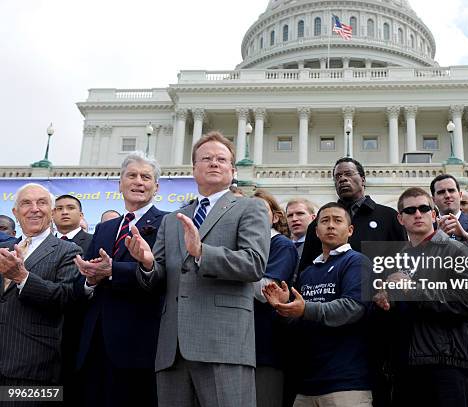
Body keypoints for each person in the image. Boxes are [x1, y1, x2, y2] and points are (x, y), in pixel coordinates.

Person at [128, 131, 270, 407]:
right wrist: (146, 264)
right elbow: (156, 281)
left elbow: (254, 263)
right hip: (173, 349)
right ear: (194, 168)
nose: (214, 163)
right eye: (206, 158)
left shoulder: (250, 208)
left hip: (224, 345)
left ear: (232, 169)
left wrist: (203, 253)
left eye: (221, 159)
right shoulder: (172, 220)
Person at [296, 157, 405, 407]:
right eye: (337, 177)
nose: (342, 179)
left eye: (347, 174)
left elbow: (402, 267)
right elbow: (307, 272)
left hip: (377, 321)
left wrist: (388, 289)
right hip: (329, 329)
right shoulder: (320, 223)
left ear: (363, 179)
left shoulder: (388, 217)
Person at [73, 152, 167, 407]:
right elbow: (91, 274)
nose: (138, 182)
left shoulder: (168, 223)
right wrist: (89, 278)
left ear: (156, 187)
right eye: (132, 175)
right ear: (120, 184)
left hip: (138, 343)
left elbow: (164, 275)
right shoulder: (105, 228)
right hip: (94, 342)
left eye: (146, 177)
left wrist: (114, 270)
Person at [373, 187, 468, 407]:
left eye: (424, 208)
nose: (417, 214)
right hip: (404, 364)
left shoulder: (456, 251)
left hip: (446, 363)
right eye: (410, 210)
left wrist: (413, 289)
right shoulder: (395, 260)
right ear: (400, 218)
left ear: (433, 214)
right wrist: (384, 302)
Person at [263, 203, 372, 407]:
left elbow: (352, 308)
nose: (330, 225)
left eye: (337, 221)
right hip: (307, 386)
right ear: (316, 231)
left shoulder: (357, 262)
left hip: (347, 385)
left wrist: (304, 309)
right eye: (325, 221)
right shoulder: (308, 272)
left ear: (350, 230)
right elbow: (298, 323)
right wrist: (284, 307)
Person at [0, 183, 81, 393]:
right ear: (15, 212)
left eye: (41, 203)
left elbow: (66, 297)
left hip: (34, 368)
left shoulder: (69, 251)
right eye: (26, 203)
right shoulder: (3, 251)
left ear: (52, 211)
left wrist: (22, 277)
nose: (34, 208)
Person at [253, 189, 299, 407]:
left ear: (275, 217)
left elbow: (266, 292)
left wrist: (227, 268)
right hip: (241, 346)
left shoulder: (282, 245)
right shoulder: (245, 245)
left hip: (266, 347)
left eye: (261, 211)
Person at [51, 194, 93, 406]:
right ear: (52, 214)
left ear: (81, 214)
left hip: (77, 328)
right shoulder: (42, 244)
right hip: (43, 328)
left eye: (70, 208)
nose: (64, 212)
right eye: (58, 208)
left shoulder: (93, 241)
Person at [430, 174, 468, 241]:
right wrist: (437, 238)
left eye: (451, 190)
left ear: (460, 195)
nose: (447, 195)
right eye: (441, 192)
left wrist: (465, 235)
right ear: (433, 200)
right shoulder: (428, 226)